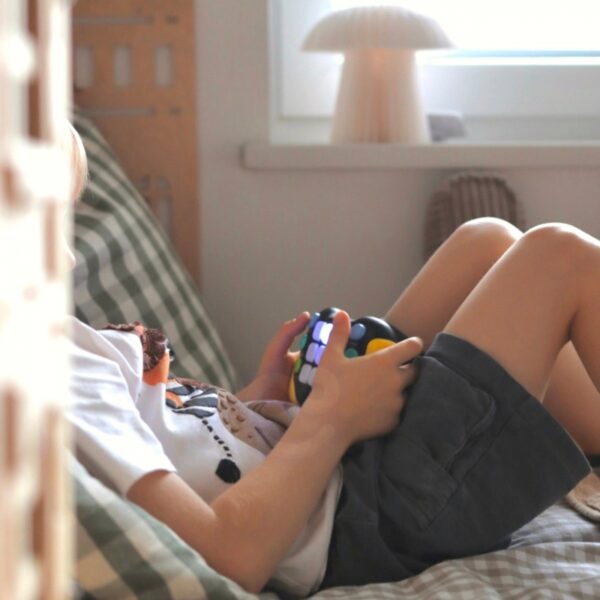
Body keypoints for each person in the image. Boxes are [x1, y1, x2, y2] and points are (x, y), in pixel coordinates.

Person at [64, 124, 599, 595]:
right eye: (44, 222)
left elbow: (178, 446)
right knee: (559, 257)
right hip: (370, 520)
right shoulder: (52, 372)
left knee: (485, 241)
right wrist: (331, 419)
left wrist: (251, 405)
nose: (68, 256)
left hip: (334, 468)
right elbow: (226, 558)